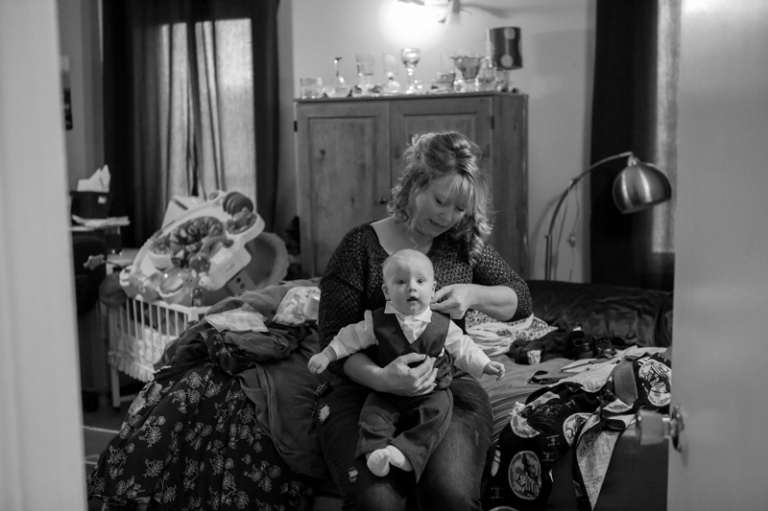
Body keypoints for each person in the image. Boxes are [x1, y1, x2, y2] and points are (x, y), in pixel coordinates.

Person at [317, 130, 532, 511]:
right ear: (416, 181)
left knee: (450, 496)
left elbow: (521, 299)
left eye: (460, 209)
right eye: (440, 201)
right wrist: (383, 379)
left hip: (447, 390)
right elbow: (333, 340)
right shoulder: (359, 247)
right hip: (363, 392)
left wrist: (472, 294)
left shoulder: (461, 245)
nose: (448, 217)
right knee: (376, 503)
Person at [308, 248, 505, 481]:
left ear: (432, 290)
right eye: (401, 282)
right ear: (386, 291)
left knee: (438, 415)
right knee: (372, 415)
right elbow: (348, 338)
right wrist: (326, 355)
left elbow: (464, 347)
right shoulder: (377, 321)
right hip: (386, 392)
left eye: (420, 281)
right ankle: (375, 454)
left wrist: (485, 364)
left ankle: (405, 453)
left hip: (431, 391)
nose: (412, 287)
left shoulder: (443, 324)